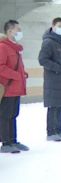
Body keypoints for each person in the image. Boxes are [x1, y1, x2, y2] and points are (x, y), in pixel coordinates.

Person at [38, 17, 61, 143]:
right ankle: (51, 132)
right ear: (53, 26)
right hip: (53, 80)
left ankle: (59, 130)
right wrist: (57, 68)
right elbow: (42, 59)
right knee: (53, 106)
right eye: (59, 26)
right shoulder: (48, 42)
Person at [0, 20, 29, 153]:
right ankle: (5, 143)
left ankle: (13, 140)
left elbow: (16, 66)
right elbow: (1, 67)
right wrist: (17, 76)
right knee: (5, 116)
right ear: (10, 31)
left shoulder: (15, 48)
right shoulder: (3, 47)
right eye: (18, 29)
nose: (20, 32)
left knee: (13, 115)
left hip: (16, 88)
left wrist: (23, 74)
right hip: (7, 89)